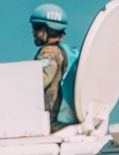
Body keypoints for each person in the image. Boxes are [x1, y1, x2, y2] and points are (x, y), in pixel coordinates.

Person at [30, 3, 77, 131]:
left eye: (36, 27)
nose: (33, 32)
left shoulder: (49, 53)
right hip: (67, 120)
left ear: (48, 29)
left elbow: (37, 83)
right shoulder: (68, 51)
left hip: (50, 123)